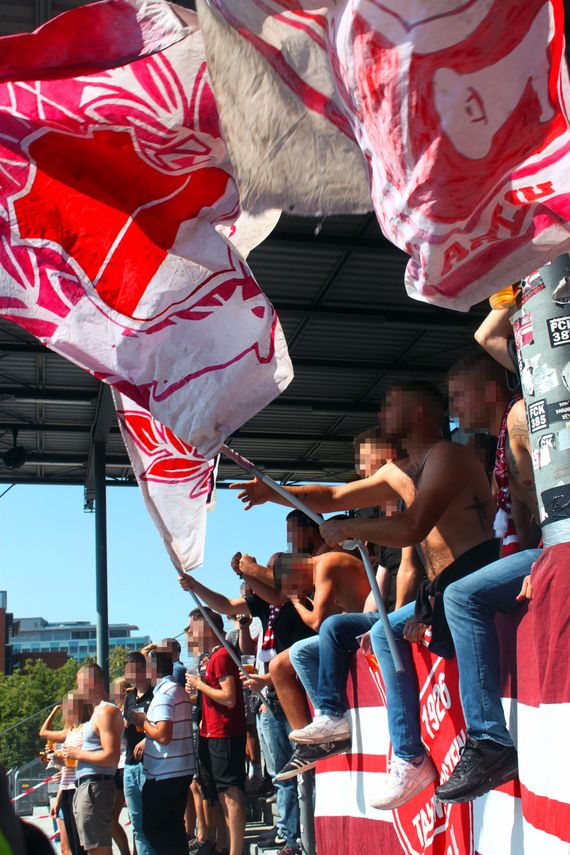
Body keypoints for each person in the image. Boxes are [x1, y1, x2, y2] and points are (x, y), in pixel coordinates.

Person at [232, 382, 501, 808]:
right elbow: (335, 495)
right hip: (437, 593)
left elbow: (412, 526)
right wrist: (276, 491)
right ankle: (359, 731)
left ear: (418, 413)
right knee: (346, 628)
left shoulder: (448, 457)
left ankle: (464, 746)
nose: (382, 409)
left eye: (392, 401)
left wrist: (351, 528)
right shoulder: (402, 470)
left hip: (470, 576)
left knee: (382, 631)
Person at [433, 340, 543, 803]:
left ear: (490, 389)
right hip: (543, 547)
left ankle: (490, 742)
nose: (453, 408)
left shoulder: (520, 417)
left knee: (460, 596)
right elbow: (525, 519)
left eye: (459, 395)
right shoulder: (501, 437)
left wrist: (552, 561)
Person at [185, 608, 246, 855]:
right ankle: (223, 844)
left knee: (230, 793)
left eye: (192, 627)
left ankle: (235, 850)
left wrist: (200, 685)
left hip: (225, 733)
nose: (189, 632)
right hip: (209, 733)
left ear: (207, 627)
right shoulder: (209, 657)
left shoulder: (221, 656)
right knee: (217, 794)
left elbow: (229, 697)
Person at [64, 663, 123, 855]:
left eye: (80, 683)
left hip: (94, 787)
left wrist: (77, 754)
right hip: (88, 786)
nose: (78, 690)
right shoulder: (97, 713)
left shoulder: (106, 711)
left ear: (90, 682)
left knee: (98, 848)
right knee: (93, 847)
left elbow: (111, 757)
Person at [141, 648, 195, 855]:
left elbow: (163, 734)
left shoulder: (164, 694)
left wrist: (142, 722)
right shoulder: (177, 689)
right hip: (178, 769)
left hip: (165, 772)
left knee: (156, 829)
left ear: (152, 670)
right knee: (173, 828)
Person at [40, 693, 92, 855]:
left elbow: (85, 761)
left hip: (80, 787)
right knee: (71, 842)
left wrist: (62, 758)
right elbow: (67, 770)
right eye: (66, 707)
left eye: (71, 706)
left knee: (81, 841)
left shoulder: (87, 729)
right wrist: (58, 798)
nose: (67, 710)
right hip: (67, 788)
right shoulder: (70, 732)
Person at [122, 652, 156, 855]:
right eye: (129, 671)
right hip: (129, 764)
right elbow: (126, 724)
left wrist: (147, 737)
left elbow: (161, 726)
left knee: (152, 819)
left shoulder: (155, 694)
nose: (134, 675)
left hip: (150, 764)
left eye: (137, 670)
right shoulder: (129, 696)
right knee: (137, 823)